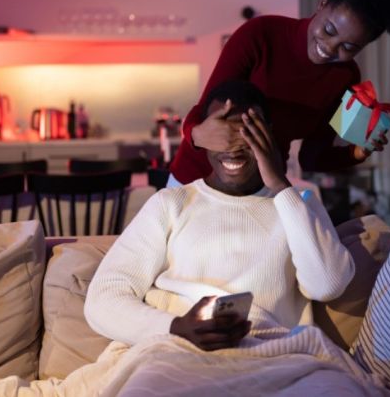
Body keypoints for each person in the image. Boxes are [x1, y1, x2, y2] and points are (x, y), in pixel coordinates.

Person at [84, 80, 355, 350]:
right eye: (221, 133)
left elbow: (327, 286)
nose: (233, 146)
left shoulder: (299, 205)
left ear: (269, 136)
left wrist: (281, 187)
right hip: (177, 351)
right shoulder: (170, 203)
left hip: (270, 355)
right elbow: (102, 299)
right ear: (202, 137)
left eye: (248, 132)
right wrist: (175, 328)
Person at [168, 0, 390, 186]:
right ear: (323, 3)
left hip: (260, 189)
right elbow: (201, 114)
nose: (329, 48)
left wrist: (357, 153)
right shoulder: (260, 35)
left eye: (349, 47)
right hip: (197, 179)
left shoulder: (345, 77)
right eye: (329, 30)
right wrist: (197, 135)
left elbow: (312, 158)